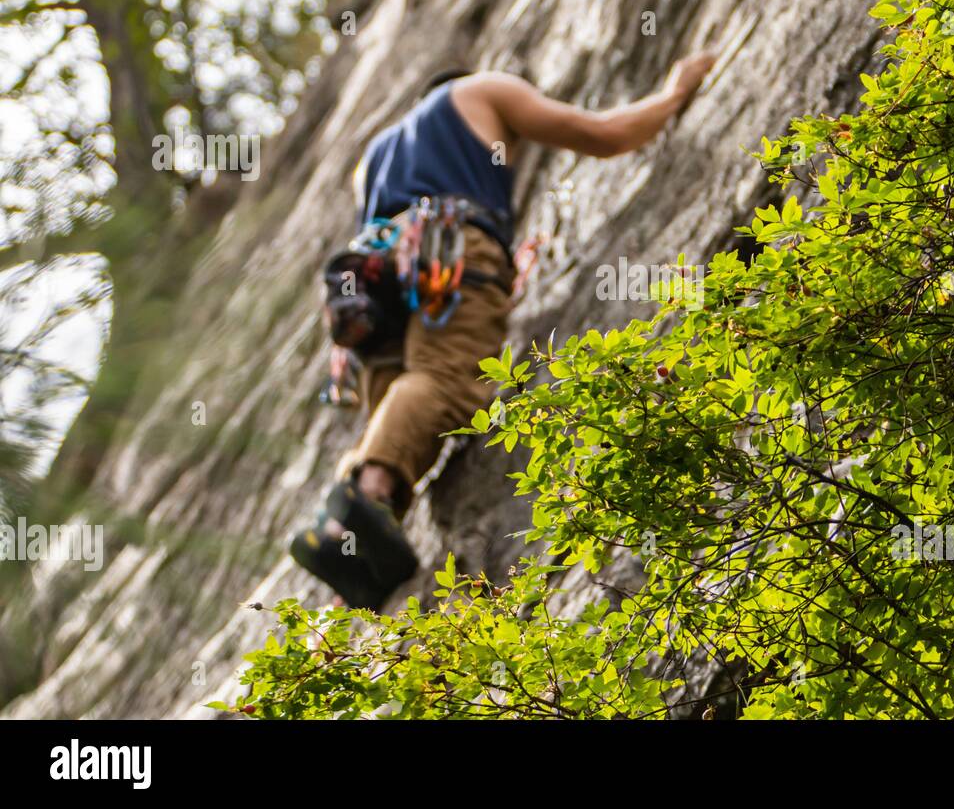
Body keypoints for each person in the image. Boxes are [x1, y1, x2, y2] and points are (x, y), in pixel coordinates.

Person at [290, 51, 717, 608]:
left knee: (400, 403)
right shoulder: (482, 90)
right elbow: (604, 134)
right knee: (444, 379)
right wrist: (674, 91)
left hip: (373, 278)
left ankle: (351, 539)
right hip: (446, 249)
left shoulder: (373, 157)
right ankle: (365, 492)